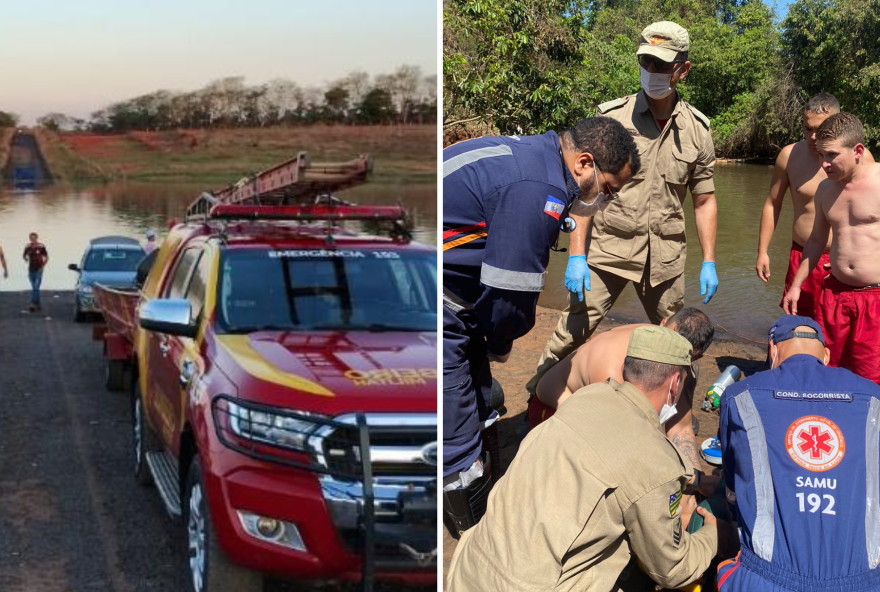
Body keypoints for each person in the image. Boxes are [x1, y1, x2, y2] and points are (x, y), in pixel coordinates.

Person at [442, 117, 640, 533]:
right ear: (584, 163)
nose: (603, 203)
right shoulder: (541, 190)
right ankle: (471, 525)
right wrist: (499, 346)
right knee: (456, 420)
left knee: (478, 394)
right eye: (607, 190)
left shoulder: (537, 153)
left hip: (443, 280)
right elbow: (507, 299)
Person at [526, 20, 719, 403]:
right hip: (607, 252)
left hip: (664, 259)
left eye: (662, 65)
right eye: (646, 61)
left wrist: (709, 260)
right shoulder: (612, 119)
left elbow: (704, 199)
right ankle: (538, 402)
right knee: (572, 331)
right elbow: (584, 191)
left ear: (683, 69)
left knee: (678, 345)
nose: (652, 72)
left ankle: (674, 418)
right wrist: (576, 255)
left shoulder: (698, 130)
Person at [447, 327, 719, 592]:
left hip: (469, 569)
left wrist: (690, 480)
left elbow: (622, 464)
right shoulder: (656, 461)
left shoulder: (587, 396)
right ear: (674, 383)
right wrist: (714, 535)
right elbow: (671, 568)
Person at [717, 315, 880, 591]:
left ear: (772, 350)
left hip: (765, 578)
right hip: (867, 579)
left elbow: (733, 486)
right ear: (826, 356)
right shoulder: (873, 396)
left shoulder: (739, 395)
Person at [529, 308, 714, 475]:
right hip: (554, 410)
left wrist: (696, 480)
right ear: (662, 323)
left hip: (603, 416)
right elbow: (617, 438)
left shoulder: (687, 367)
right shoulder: (614, 365)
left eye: (682, 357)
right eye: (666, 340)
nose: (668, 356)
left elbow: (680, 427)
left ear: (695, 357)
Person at [756, 94, 874, 319]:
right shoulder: (789, 156)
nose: (813, 137)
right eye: (807, 128)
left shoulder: (860, 158)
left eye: (819, 129)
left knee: (835, 330)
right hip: (802, 256)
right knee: (796, 323)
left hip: (842, 260)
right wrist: (762, 251)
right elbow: (773, 203)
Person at [782, 113, 880, 383]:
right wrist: (795, 285)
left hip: (874, 300)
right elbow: (815, 241)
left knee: (870, 376)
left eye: (832, 155)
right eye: (821, 155)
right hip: (835, 296)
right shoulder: (826, 189)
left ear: (858, 150)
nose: (824, 164)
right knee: (827, 368)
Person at [22, 232, 48, 312]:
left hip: (39, 269)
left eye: (34, 238)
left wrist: (43, 267)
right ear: (30, 238)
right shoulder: (28, 246)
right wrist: (25, 259)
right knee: (35, 288)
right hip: (31, 270)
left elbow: (46, 257)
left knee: (35, 287)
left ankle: (33, 304)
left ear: (37, 238)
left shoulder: (41, 246)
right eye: (31, 238)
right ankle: (38, 304)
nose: (33, 239)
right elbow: (24, 255)